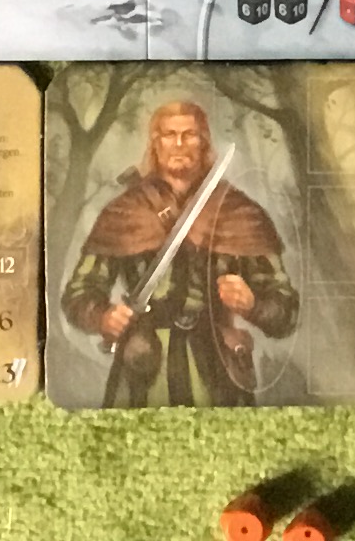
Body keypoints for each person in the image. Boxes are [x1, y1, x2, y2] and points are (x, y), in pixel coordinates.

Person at [61, 99, 298, 404]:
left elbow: (286, 310)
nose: (179, 144)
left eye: (190, 135)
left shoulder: (239, 213)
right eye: (169, 135)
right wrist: (102, 317)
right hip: (142, 365)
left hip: (217, 367)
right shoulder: (124, 212)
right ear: (155, 143)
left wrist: (252, 305)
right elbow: (79, 293)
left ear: (204, 142)